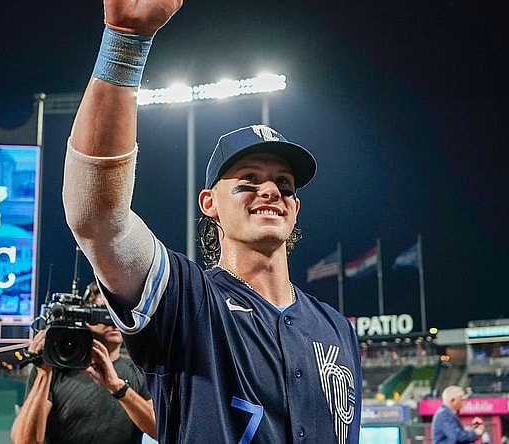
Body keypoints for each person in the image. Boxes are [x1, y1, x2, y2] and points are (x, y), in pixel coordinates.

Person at [61, 0, 364, 442]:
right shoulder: (187, 302)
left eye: (284, 183)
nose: (270, 190)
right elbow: (96, 217)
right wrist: (125, 44)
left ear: (295, 207)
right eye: (248, 180)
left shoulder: (336, 328)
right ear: (210, 203)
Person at [10, 283, 156, 444]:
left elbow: (160, 430)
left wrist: (118, 388)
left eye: (120, 312)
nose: (113, 321)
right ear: (87, 318)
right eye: (104, 312)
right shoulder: (52, 371)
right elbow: (25, 440)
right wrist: (44, 374)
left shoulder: (138, 372)